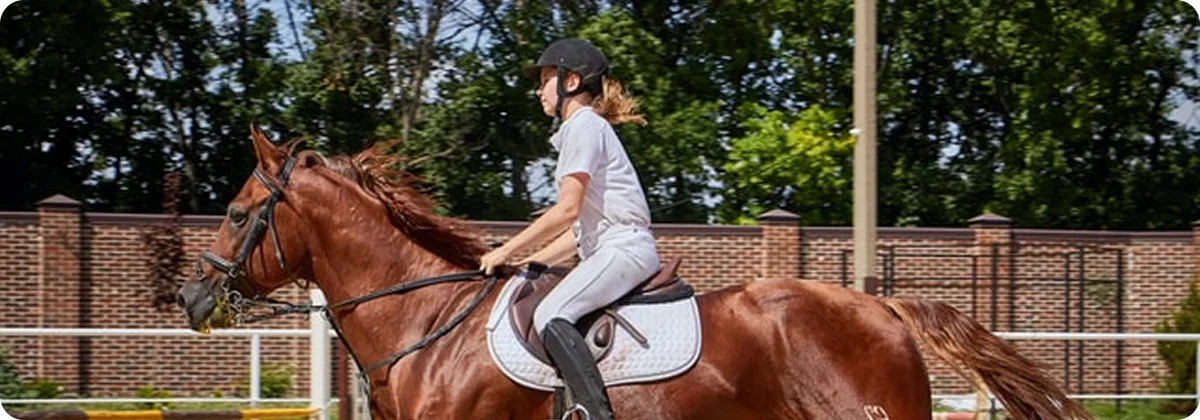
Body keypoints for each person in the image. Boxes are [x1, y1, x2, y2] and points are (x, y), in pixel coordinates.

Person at [478, 37, 660, 420]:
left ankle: (595, 414)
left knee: (549, 314)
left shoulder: (583, 126)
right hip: (611, 247)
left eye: (545, 80)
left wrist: (505, 250)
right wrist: (528, 264)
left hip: (623, 248)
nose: (539, 90)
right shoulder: (584, 129)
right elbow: (577, 234)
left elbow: (566, 210)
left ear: (570, 81)